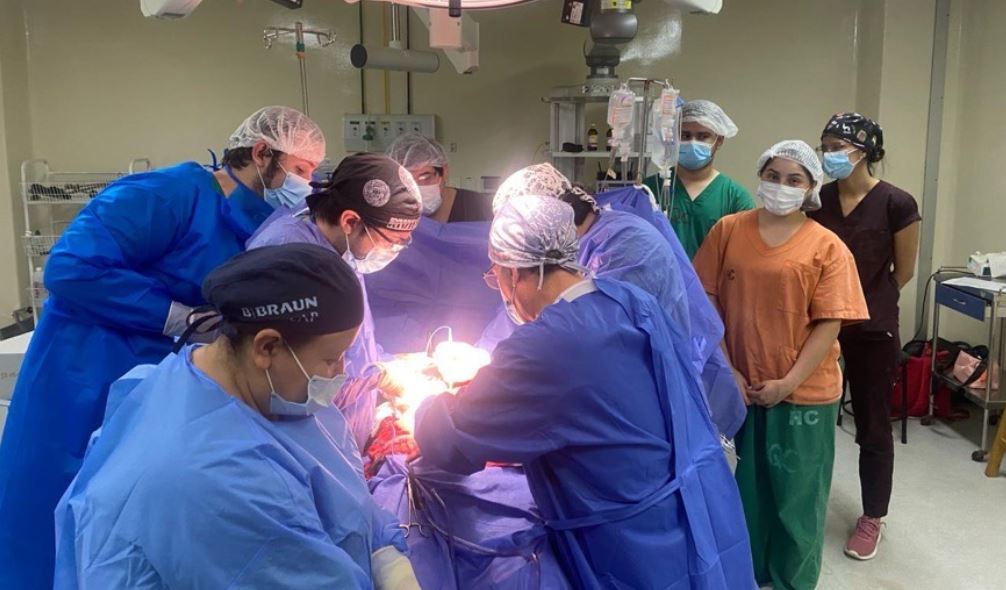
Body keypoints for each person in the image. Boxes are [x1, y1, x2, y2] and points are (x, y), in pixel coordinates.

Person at [0, 105, 325, 589]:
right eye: (301, 170)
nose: (305, 184)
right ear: (261, 153)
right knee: (54, 517)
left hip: (149, 390)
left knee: (127, 520)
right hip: (79, 379)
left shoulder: (249, 224)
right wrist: (177, 316)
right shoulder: (167, 194)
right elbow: (70, 268)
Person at [398, 195, 756, 589]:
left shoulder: (547, 345)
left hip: (634, 546)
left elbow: (450, 443)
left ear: (514, 272)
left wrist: (427, 400)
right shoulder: (631, 300)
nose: (497, 286)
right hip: (702, 505)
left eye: (494, 276)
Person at [54, 244, 419, 589]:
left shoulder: (259, 392)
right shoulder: (211, 480)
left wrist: (385, 552)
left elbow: (345, 497)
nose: (340, 372)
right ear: (267, 346)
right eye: (330, 358)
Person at [693, 140, 869, 590]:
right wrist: (727, 367)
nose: (781, 186)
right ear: (760, 176)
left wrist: (789, 382)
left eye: (794, 180)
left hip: (804, 392)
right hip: (741, 384)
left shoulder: (827, 247)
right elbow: (706, 295)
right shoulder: (729, 230)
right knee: (747, 494)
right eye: (773, 176)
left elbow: (831, 322)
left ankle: (793, 581)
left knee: (797, 497)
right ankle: (748, 576)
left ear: (811, 188)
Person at [488, 163, 746, 438]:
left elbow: (592, 342)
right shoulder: (572, 250)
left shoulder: (628, 247)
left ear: (552, 218)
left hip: (651, 412)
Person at [247, 153, 423, 449]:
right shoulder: (294, 261)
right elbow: (297, 387)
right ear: (350, 221)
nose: (392, 250)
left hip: (345, 435)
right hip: (307, 444)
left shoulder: (339, 248)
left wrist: (390, 362)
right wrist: (379, 378)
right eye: (391, 240)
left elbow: (351, 344)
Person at [809, 113, 921, 561]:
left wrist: (863, 302)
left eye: (839, 146)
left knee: (872, 424)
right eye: (826, 145)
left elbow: (904, 271)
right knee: (813, 417)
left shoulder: (897, 203)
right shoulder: (818, 198)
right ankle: (807, 501)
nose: (830, 154)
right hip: (819, 324)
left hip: (873, 327)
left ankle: (873, 516)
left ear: (866, 151)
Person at [643, 99, 755, 258]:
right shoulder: (649, 189)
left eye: (703, 136)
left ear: (719, 141)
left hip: (710, 283)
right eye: (685, 135)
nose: (692, 142)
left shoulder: (735, 197)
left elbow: (744, 255)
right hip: (659, 281)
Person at [387, 133, 493, 223]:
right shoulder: (392, 214)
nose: (416, 188)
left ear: (444, 172)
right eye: (407, 181)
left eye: (425, 178)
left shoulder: (479, 206)